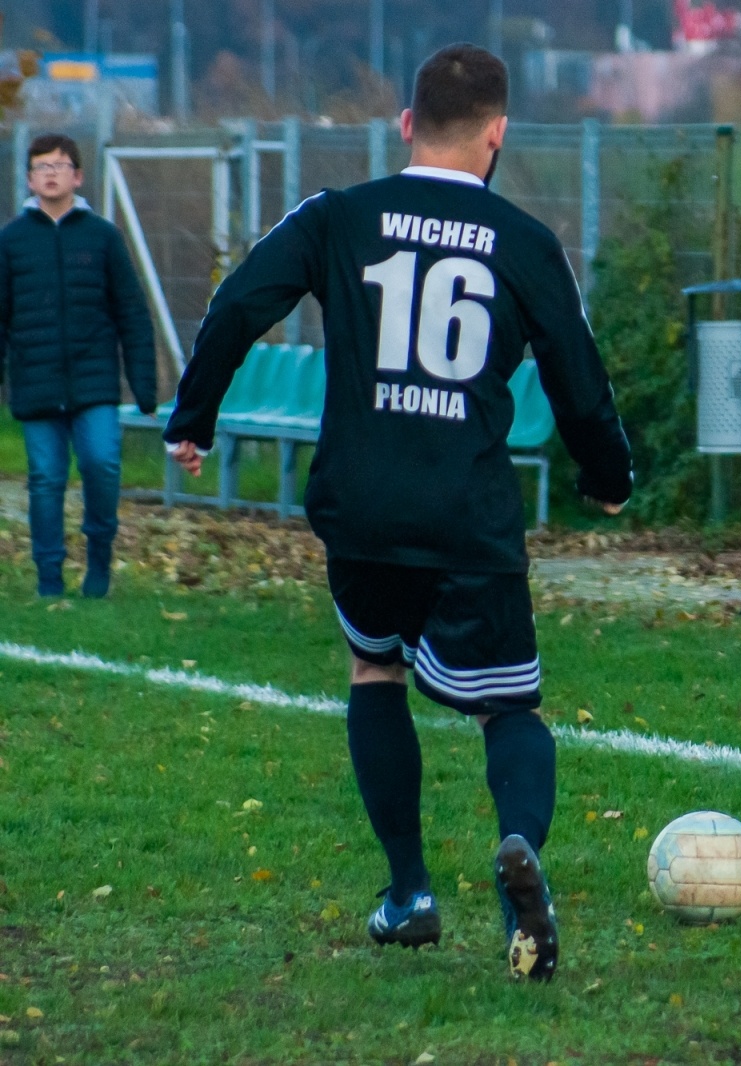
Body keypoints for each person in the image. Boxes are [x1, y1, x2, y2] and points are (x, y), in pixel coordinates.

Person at [164, 44, 633, 981]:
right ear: (499, 134)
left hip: (363, 506)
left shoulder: (338, 216)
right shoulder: (525, 241)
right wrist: (606, 472)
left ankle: (411, 892)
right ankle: (518, 851)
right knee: (508, 706)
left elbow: (240, 302)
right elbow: (580, 378)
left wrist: (194, 414)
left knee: (374, 669)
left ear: (407, 124)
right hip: (469, 507)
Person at [0, 134, 156, 598]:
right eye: (41, 166)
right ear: (30, 179)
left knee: (102, 462)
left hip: (95, 383)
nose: (51, 172)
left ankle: (100, 563)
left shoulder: (103, 237)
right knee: (46, 478)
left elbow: (132, 313)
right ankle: (49, 579)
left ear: (78, 175)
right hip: (36, 383)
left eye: (60, 164)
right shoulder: (10, 242)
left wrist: (144, 388)